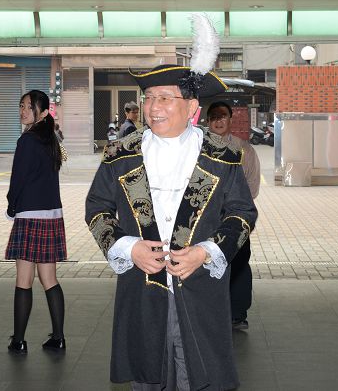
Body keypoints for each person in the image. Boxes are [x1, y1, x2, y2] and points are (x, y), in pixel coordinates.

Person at [86, 64, 257, 390]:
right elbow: (97, 209)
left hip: (200, 288)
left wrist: (206, 252)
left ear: (192, 107)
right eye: (149, 97)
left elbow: (242, 214)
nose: (153, 107)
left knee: (200, 376)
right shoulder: (120, 154)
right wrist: (128, 248)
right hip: (141, 290)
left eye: (165, 98)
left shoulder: (222, 155)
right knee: (146, 377)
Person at [5, 90, 67, 354]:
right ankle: (59, 337)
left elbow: (17, 179)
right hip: (52, 215)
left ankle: (18, 340)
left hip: (30, 215)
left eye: (28, 107)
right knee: (49, 279)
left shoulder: (27, 140)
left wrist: (11, 206)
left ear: (41, 113)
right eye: (21, 106)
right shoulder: (50, 139)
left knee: (24, 279)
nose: (23, 111)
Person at [207, 101, 260, 330]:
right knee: (206, 265)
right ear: (207, 121)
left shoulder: (244, 150)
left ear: (230, 119)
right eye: (214, 117)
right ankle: (209, 312)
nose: (218, 121)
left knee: (238, 265)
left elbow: (252, 188)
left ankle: (237, 313)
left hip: (235, 220)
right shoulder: (197, 149)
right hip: (205, 220)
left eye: (223, 116)